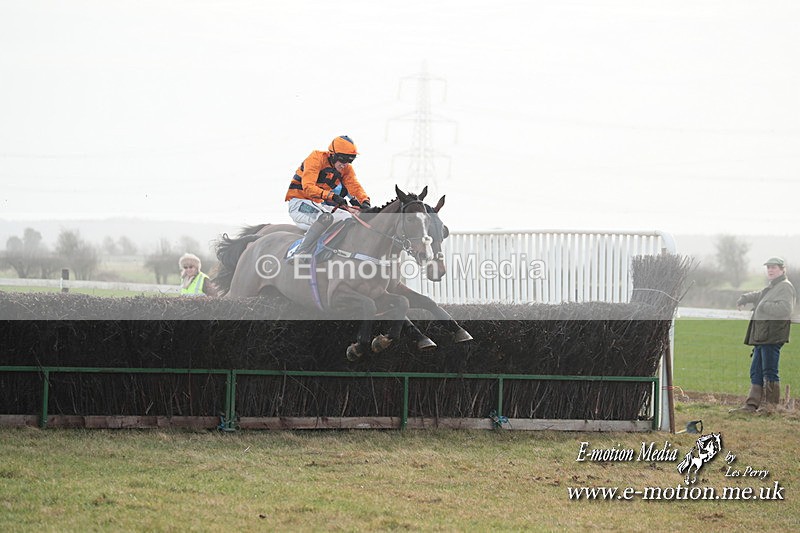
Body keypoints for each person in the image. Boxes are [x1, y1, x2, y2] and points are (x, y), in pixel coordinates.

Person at [284, 135, 371, 258]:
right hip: (299, 203)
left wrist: (365, 201)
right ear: (333, 154)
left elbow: (354, 186)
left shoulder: (346, 169)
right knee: (325, 218)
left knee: (349, 219)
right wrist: (332, 196)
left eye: (350, 160)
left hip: (319, 204)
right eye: (343, 159)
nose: (345, 164)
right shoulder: (316, 158)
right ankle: (300, 252)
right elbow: (308, 187)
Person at [730, 257, 795, 412]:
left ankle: (770, 407)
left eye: (774, 267)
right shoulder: (773, 286)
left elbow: (785, 309)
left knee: (770, 371)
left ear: (782, 269)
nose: (770, 270)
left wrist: (763, 305)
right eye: (768, 268)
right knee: (756, 371)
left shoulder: (785, 287)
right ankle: (751, 405)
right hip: (763, 335)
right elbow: (759, 295)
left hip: (772, 336)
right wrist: (745, 298)